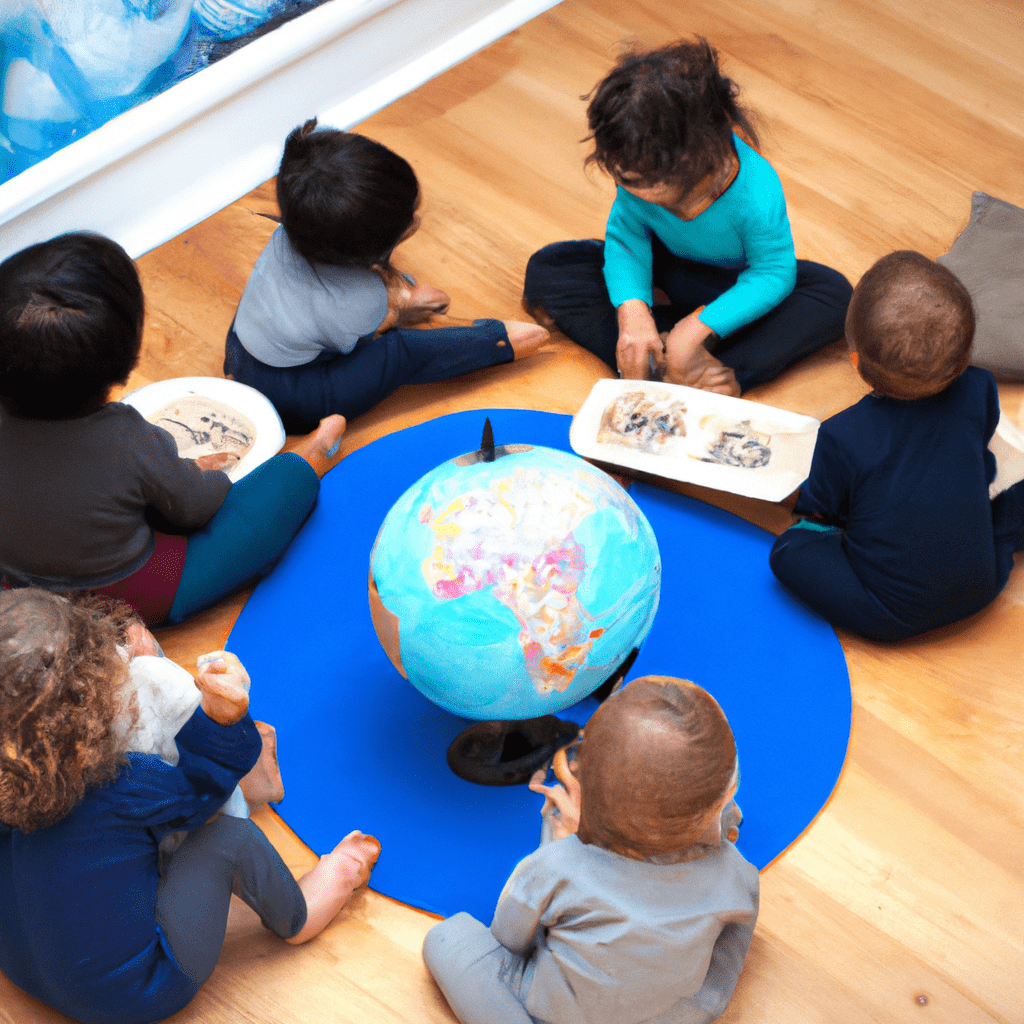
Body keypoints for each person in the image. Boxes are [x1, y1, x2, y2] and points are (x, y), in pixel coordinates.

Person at [0, 588, 381, 1024]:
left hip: (18, 962)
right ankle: (298, 914)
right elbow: (203, 796)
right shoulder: (121, 783)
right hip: (137, 991)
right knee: (226, 836)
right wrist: (223, 720)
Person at [0, 231, 347, 627]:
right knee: (280, 490)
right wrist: (207, 475)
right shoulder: (127, 438)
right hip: (126, 594)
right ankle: (313, 456)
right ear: (126, 361)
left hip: (18, 586)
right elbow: (195, 509)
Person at [523, 38, 852, 396]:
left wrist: (695, 328)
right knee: (550, 266)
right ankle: (671, 360)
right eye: (622, 180)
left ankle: (710, 367)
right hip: (665, 271)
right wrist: (633, 314)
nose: (632, 192)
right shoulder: (636, 167)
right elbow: (627, 238)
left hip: (732, 286)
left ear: (696, 159)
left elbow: (772, 272)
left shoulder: (754, 189)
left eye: (647, 187)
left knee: (831, 293)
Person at [423, 676, 759, 1024]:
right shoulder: (739, 876)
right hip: (674, 1012)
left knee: (450, 938)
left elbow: (508, 939)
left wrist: (566, 840)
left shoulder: (555, 866)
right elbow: (735, 935)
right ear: (726, 794)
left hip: (562, 1012)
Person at [223, 119, 549, 434]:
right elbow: (357, 345)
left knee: (357, 310)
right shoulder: (361, 299)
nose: (416, 218)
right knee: (399, 352)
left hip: (239, 348)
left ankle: (403, 303)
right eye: (408, 220)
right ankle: (496, 342)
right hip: (296, 398)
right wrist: (392, 313)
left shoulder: (296, 223)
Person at [770, 250, 1024, 641]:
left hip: (893, 611)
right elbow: (978, 447)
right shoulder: (978, 385)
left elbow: (820, 507)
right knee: (999, 505)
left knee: (788, 551)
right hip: (984, 582)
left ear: (855, 362)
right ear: (963, 359)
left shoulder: (842, 435)